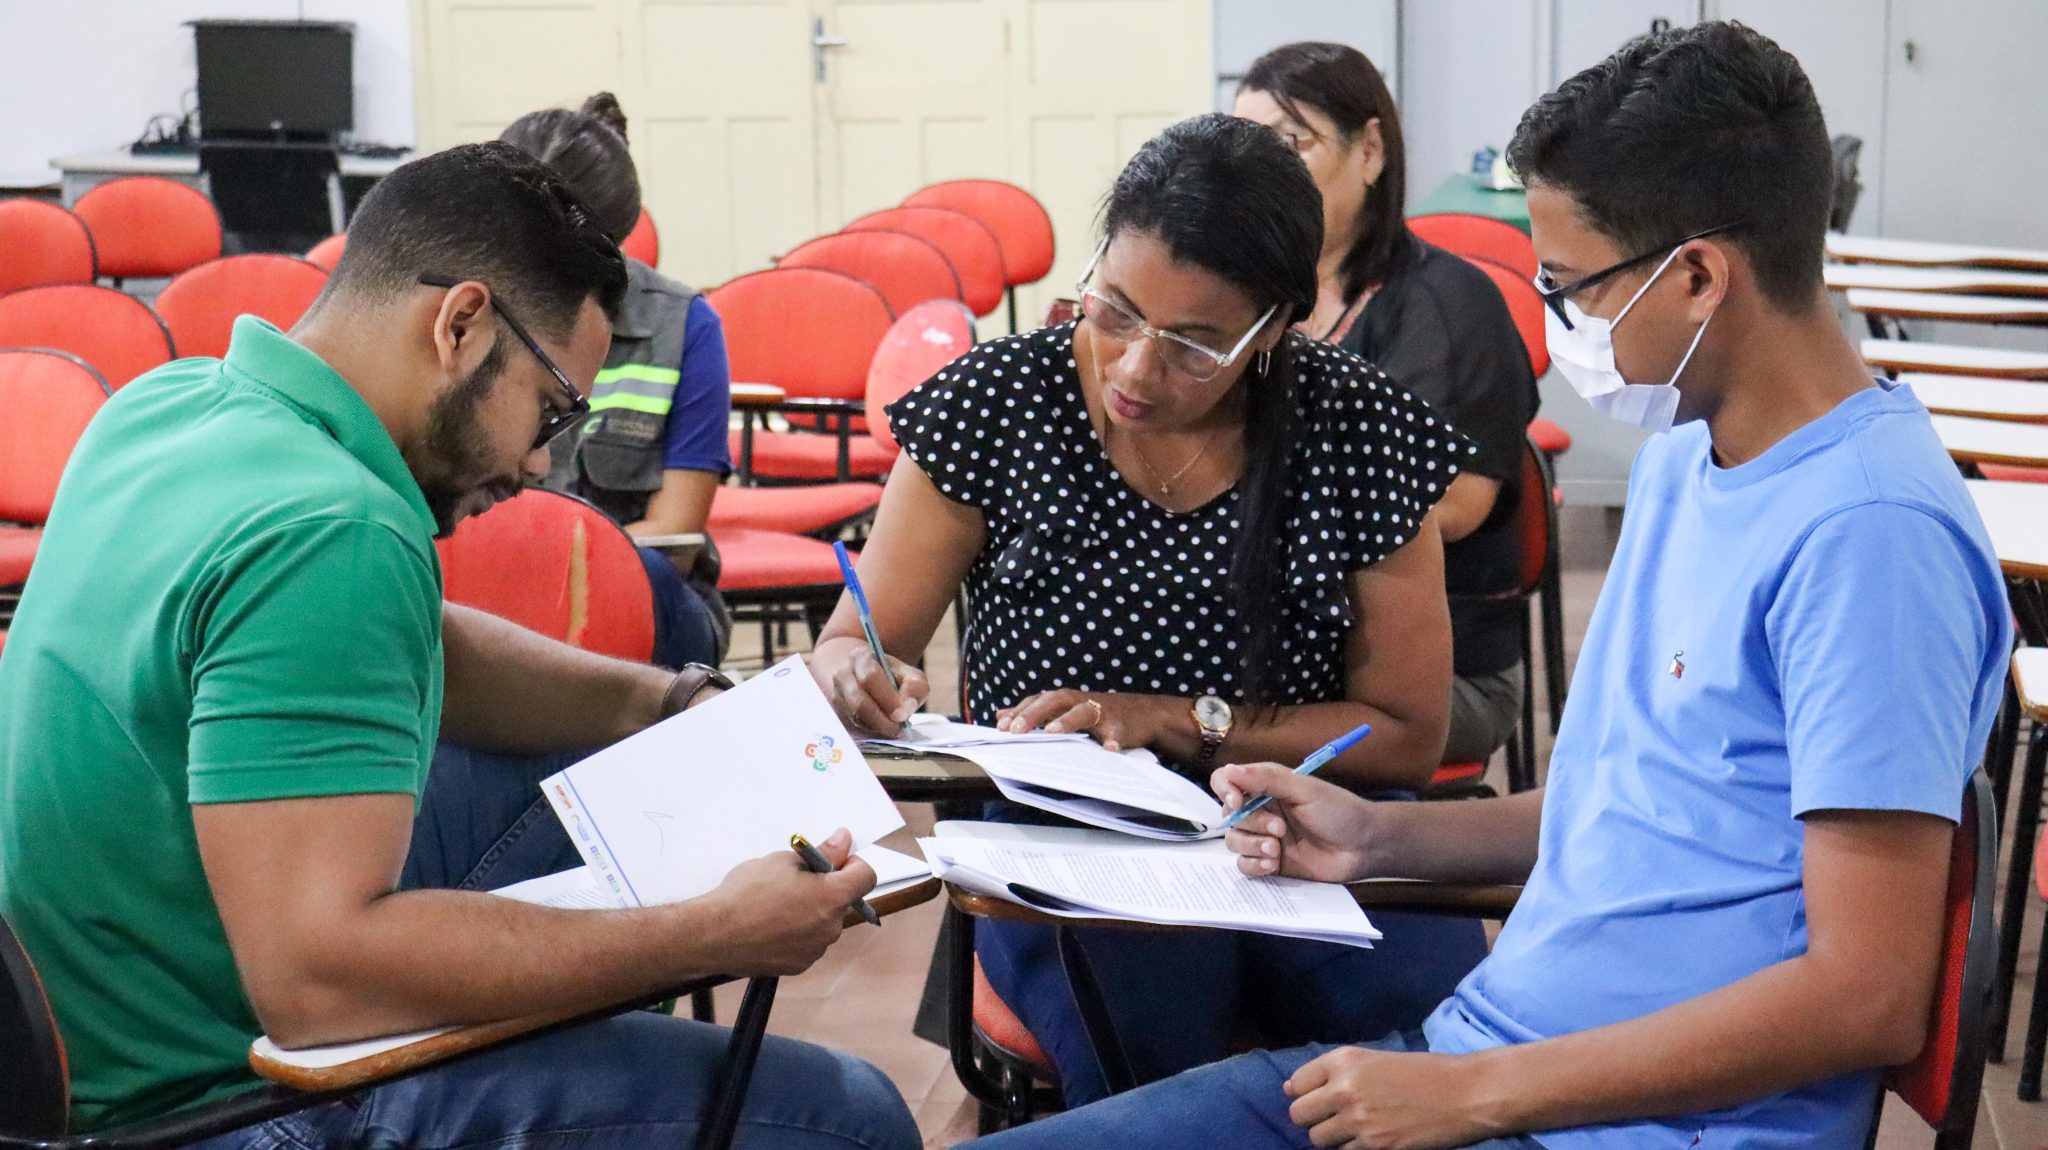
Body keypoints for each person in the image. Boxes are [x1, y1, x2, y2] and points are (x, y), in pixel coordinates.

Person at [962, 21, 2010, 1150]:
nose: (1560, 325)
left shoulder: (1869, 539)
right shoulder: (1686, 461)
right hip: (1497, 1066)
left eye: (1570, 287)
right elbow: (1633, 807)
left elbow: (1864, 996)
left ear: (1698, 276)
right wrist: (1377, 840)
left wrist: (1475, 1095)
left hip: (1622, 1122)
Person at [0, 142, 917, 1150]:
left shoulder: (169, 405)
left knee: (609, 778)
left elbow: (414, 644)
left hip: (88, 1034)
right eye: (551, 408)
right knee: (850, 1117)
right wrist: (711, 932)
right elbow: (318, 984)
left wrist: (669, 702)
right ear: (461, 323)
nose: (540, 463)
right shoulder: (335, 531)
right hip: (210, 1108)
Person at [809, 114, 1489, 1106]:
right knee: (1148, 1029)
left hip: (1307, 817)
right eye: (1115, 311)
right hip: (1065, 837)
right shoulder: (998, 406)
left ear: (1273, 328)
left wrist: (1172, 719)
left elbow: (1405, 737)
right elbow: (852, 641)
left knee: (1428, 1026)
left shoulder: (1357, 430)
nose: (1134, 368)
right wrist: (850, 672)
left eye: (1193, 344)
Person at [1236, 42, 1540, 765]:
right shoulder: (1245, 295)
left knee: (1186, 721)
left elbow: (1453, 509)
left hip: (1433, 674)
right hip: (1268, 645)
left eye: (1291, 143)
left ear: (1369, 151)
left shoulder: (1448, 306)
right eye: (1246, 146)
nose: (1262, 172)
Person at [501, 92, 735, 668]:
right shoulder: (466, 314)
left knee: (648, 578)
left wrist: (551, 570)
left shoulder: (683, 325)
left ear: (615, 237)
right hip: (495, 584)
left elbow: (676, 536)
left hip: (638, 579)